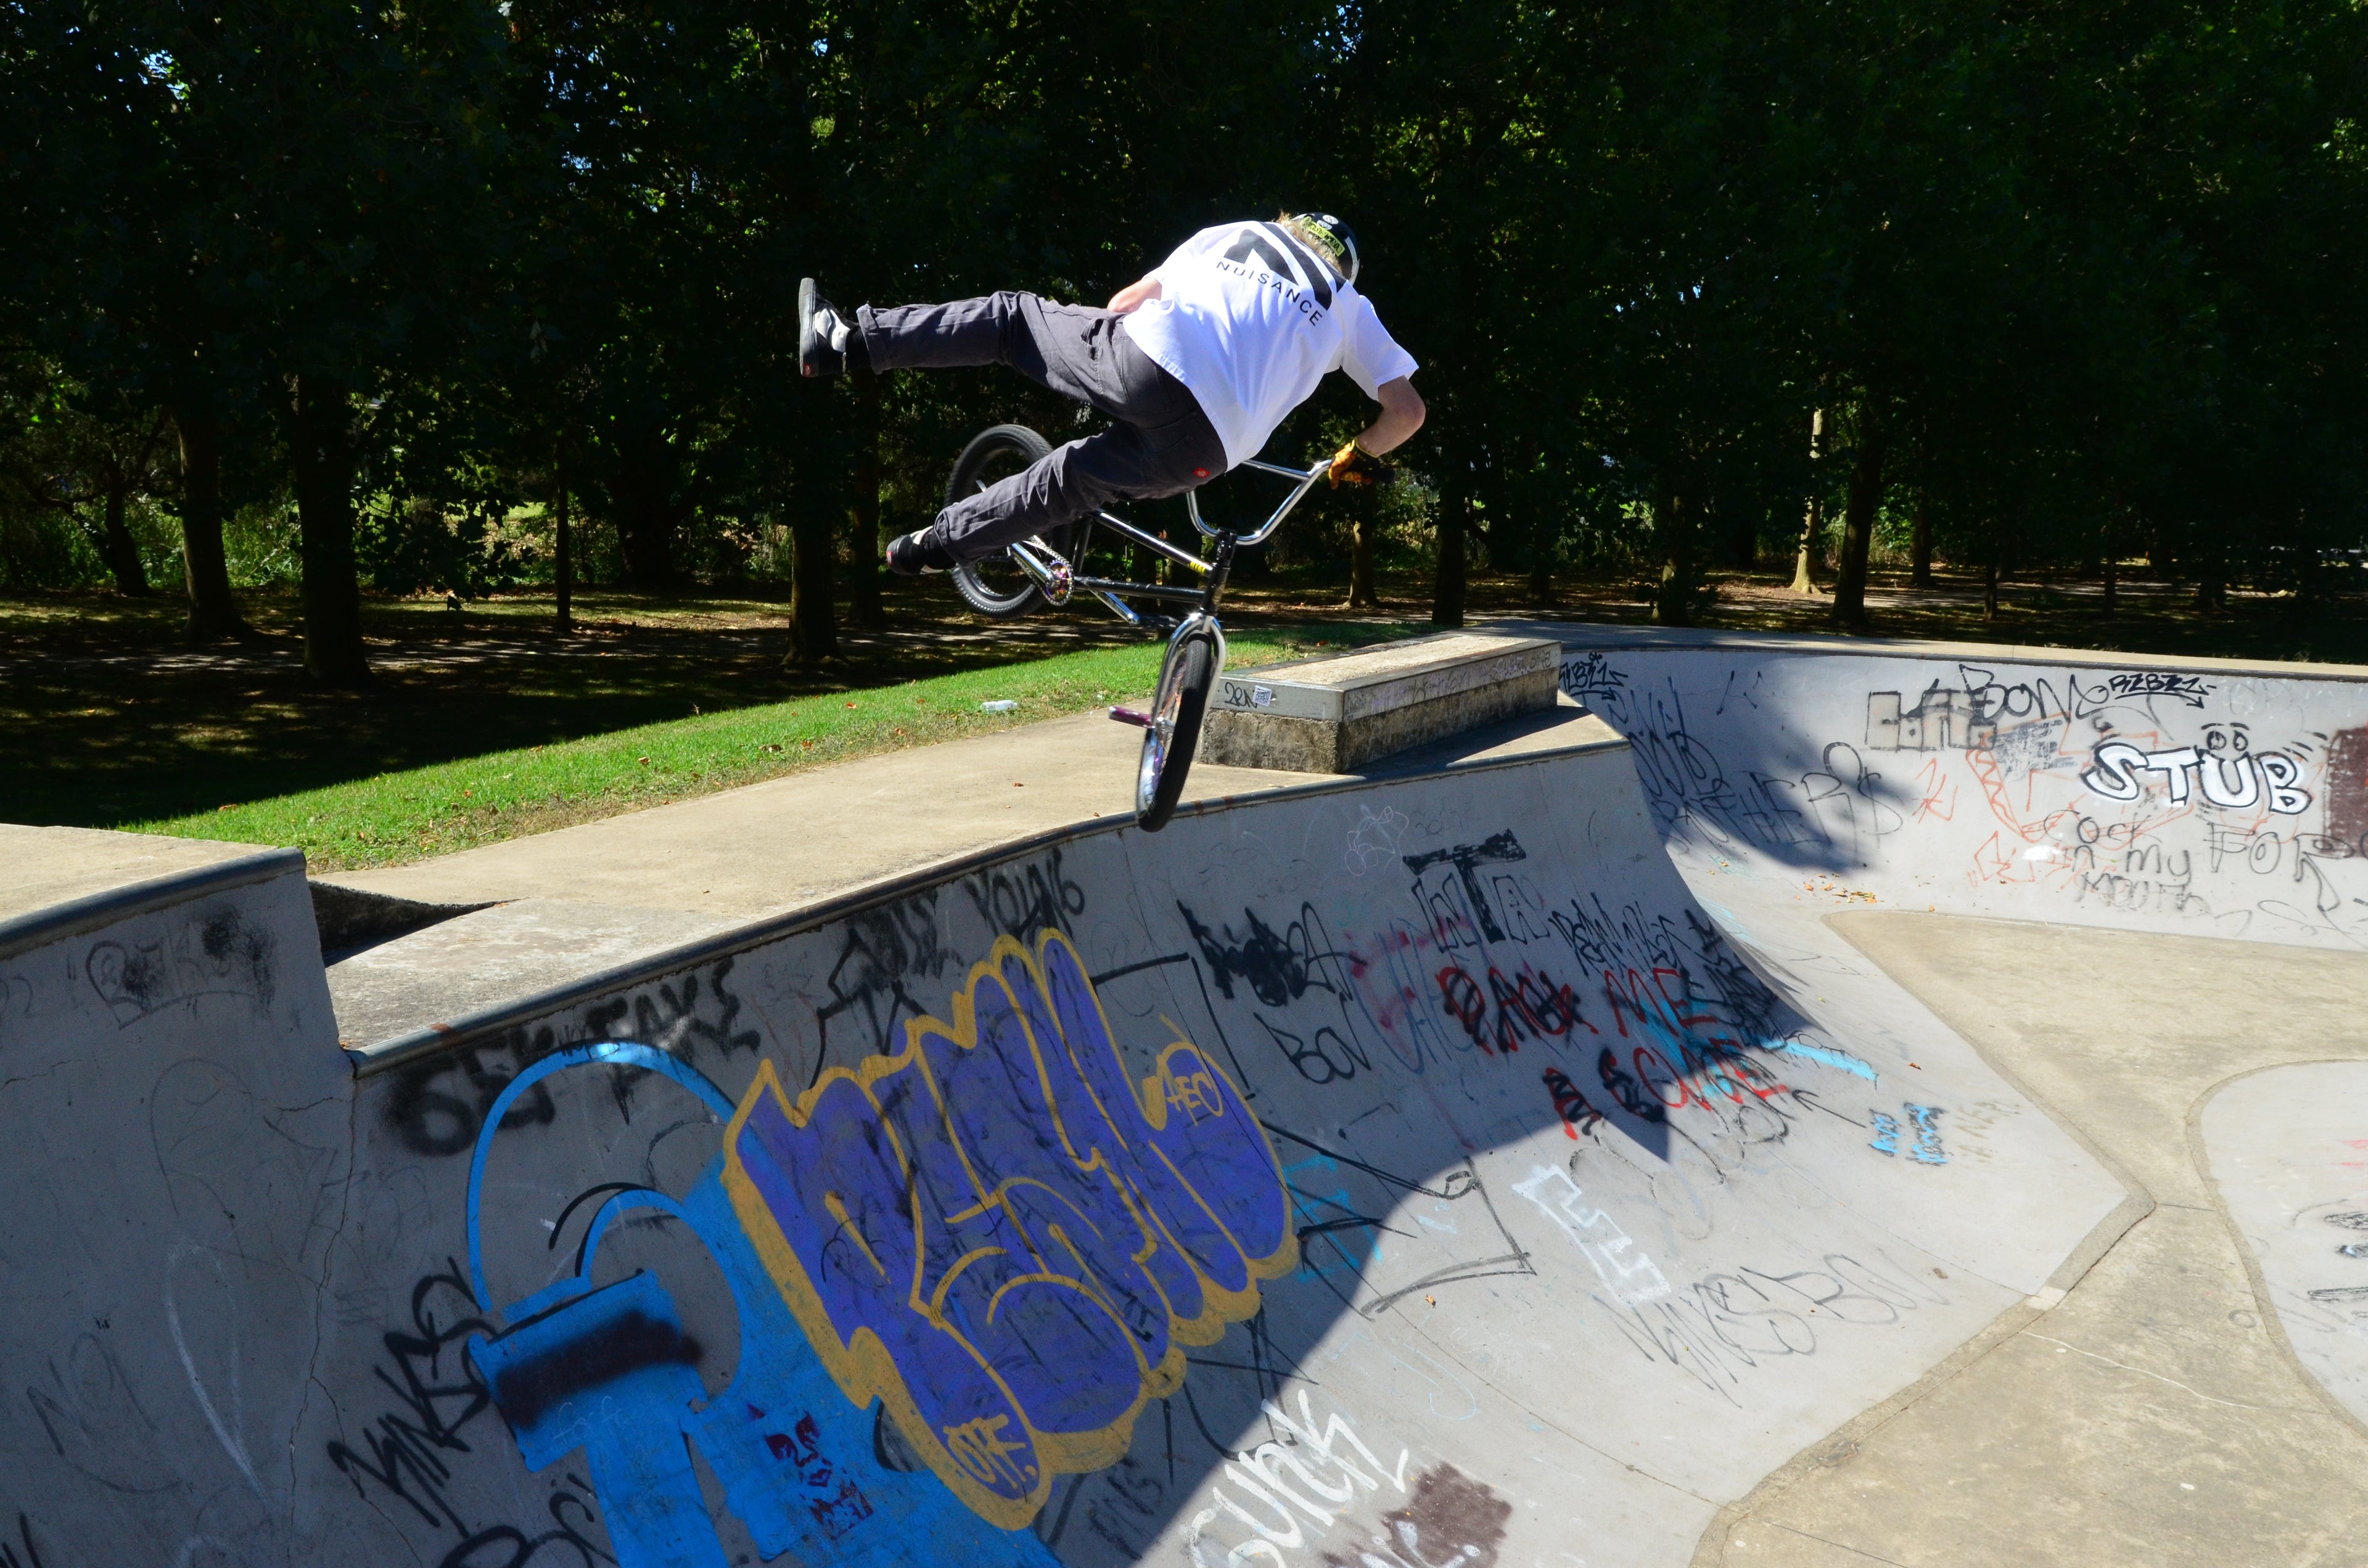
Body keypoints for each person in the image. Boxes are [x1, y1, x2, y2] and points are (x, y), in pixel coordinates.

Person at [797, 213, 1425, 575]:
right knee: (1066, 484)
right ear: (1345, 268)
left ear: (1289, 225)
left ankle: (847, 344)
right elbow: (1407, 411)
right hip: (1208, 449)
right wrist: (1355, 456)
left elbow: (1126, 304)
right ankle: (932, 550)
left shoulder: (1238, 232)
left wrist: (1092, 373)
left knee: (1014, 319)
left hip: (1148, 361)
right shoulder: (1347, 303)